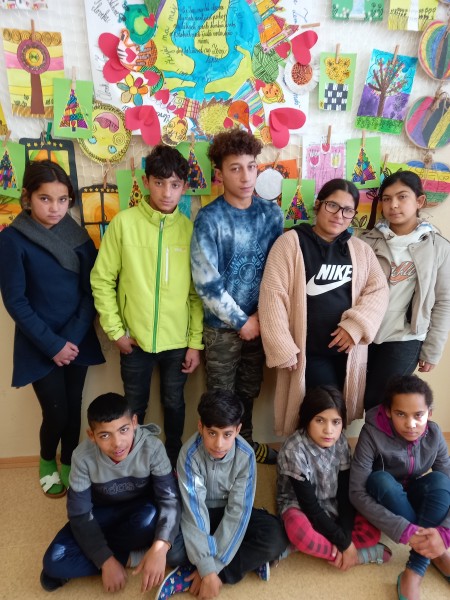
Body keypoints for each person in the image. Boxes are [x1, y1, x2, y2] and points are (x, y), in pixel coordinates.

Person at [90, 145, 203, 467]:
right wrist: (115, 331)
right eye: (159, 182)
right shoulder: (124, 224)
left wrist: (195, 343)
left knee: (174, 402)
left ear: (184, 187)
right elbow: (102, 280)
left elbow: (195, 293)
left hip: (177, 342)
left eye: (175, 184)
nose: (167, 192)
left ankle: (172, 458)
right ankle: (134, 461)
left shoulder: (189, 230)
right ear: (145, 182)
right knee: (134, 405)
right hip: (134, 340)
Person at [0, 159, 104, 497]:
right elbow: (15, 301)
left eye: (62, 200)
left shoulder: (79, 237)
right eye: (45, 198)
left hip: (77, 338)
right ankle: (47, 459)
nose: (55, 208)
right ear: (27, 197)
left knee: (74, 408)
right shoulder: (13, 239)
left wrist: (70, 339)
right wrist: (53, 345)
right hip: (38, 342)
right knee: (55, 412)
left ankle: (70, 461)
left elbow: (91, 292)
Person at [259, 178, 389, 437]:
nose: (339, 215)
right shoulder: (291, 243)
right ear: (318, 205)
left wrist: (355, 326)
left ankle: (332, 456)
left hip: (347, 352)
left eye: (348, 210)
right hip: (308, 352)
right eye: (332, 205)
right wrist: (282, 346)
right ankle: (303, 457)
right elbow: (272, 296)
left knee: (338, 413)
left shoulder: (360, 250)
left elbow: (378, 291)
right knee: (318, 411)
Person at [190, 128, 284, 464]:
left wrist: (260, 318)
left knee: (249, 389)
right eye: (235, 168)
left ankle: (246, 445)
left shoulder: (272, 215)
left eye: (251, 166)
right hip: (222, 329)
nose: (245, 177)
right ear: (219, 174)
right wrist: (242, 321)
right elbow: (206, 283)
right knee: (221, 397)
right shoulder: (209, 218)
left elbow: (278, 271)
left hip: (261, 324)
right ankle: (219, 457)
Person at [40, 393, 183, 594]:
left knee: (152, 521)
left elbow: (169, 498)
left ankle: (103, 552)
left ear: (134, 422)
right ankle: (132, 558)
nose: (117, 443)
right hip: (100, 514)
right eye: (105, 435)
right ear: (92, 435)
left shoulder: (153, 448)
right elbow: (80, 514)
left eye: (123, 430)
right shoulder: (82, 457)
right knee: (53, 563)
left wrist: (160, 546)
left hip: (139, 513)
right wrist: (105, 561)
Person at [155, 389, 289, 600]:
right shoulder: (189, 454)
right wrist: (207, 565)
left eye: (227, 434)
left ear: (238, 430)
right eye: (212, 433)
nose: (219, 444)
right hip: (199, 514)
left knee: (275, 537)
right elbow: (194, 512)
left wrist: (211, 570)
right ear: (201, 427)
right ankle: (230, 562)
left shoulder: (246, 455)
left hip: (229, 511)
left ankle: (210, 575)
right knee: (173, 553)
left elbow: (238, 511)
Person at [349, 375, 450, 600]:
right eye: (401, 414)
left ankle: (415, 569)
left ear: (429, 413)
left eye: (418, 415)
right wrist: (404, 530)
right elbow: (356, 492)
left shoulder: (435, 434)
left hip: (413, 493)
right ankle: (433, 555)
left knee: (441, 482)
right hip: (386, 495)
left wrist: (445, 533)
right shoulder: (371, 433)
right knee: (380, 480)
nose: (411, 424)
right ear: (388, 412)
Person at [277, 385, 391, 572]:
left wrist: (344, 536)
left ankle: (302, 547)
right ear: (306, 420)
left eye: (336, 422)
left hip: (333, 503)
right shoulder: (294, 450)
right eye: (319, 420)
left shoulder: (341, 442)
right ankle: (358, 556)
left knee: (372, 529)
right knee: (298, 530)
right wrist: (345, 544)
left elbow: (345, 494)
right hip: (301, 507)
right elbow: (310, 507)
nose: (328, 430)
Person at [361, 171, 450, 411]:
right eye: (387, 199)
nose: (393, 205)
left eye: (402, 197)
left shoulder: (438, 247)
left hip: (405, 338)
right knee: (357, 396)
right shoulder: (366, 242)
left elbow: (444, 301)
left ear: (419, 201)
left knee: (380, 401)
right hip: (366, 333)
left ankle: (381, 438)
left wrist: (432, 350)